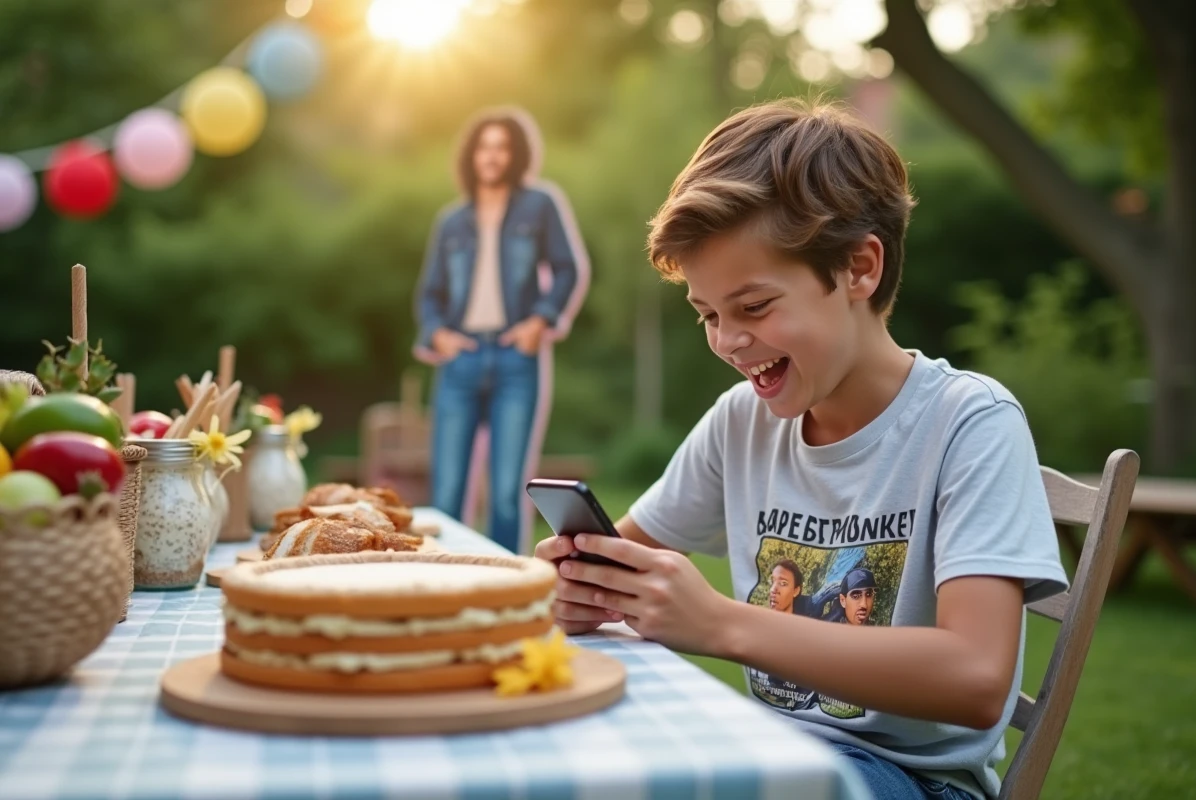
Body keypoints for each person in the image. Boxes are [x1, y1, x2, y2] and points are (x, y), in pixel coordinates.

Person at [532, 99, 1067, 800]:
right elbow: (624, 563)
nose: (726, 340)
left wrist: (722, 622)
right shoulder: (741, 423)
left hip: (913, 781)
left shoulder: (968, 422)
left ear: (858, 268)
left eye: (752, 308)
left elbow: (974, 678)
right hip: (774, 755)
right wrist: (581, 589)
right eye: (708, 315)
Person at [414, 107, 588, 556]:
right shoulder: (451, 221)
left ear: (515, 155)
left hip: (516, 359)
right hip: (461, 360)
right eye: (484, 147)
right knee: (448, 489)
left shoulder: (540, 205)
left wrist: (540, 321)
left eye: (502, 147)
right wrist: (437, 335)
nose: (492, 157)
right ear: (472, 156)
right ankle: (442, 583)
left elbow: (568, 269)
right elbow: (429, 294)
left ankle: (504, 585)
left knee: (508, 491)